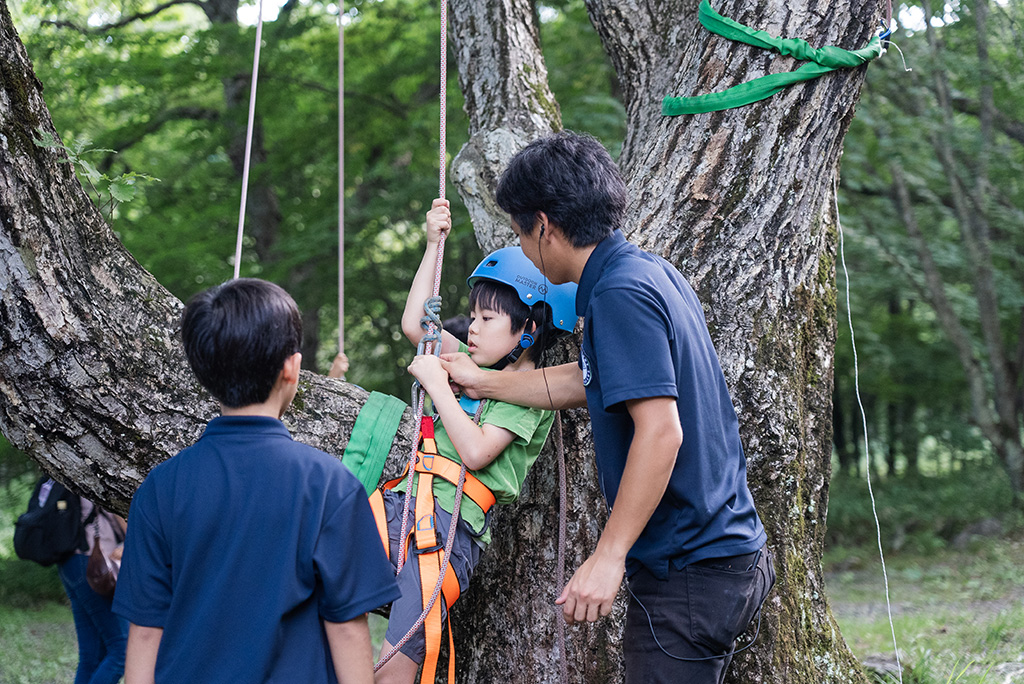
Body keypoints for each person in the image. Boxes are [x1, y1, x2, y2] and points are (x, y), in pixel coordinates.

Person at [439, 131, 775, 684]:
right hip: (722, 556)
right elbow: (585, 379)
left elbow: (661, 433)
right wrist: (482, 382)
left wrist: (608, 555)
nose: (523, 249)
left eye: (520, 233)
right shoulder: (646, 272)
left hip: (689, 569)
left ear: (543, 225)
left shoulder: (620, 294)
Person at [113, 278, 400, 684]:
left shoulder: (160, 488)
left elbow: (145, 632)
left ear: (202, 370)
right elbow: (348, 627)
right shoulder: (330, 485)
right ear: (292, 366)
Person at [373, 199, 578, 684]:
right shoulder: (467, 358)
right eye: (473, 316)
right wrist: (431, 247)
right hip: (402, 501)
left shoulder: (531, 397)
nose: (474, 327)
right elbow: (414, 326)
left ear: (528, 331)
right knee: (310, 569)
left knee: (393, 668)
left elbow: (478, 451)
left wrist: (441, 385)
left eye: (488, 319)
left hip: (448, 531)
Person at [56, 488, 129, 684]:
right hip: (95, 566)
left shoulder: (67, 477)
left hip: (70, 563)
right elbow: (130, 530)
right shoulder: (101, 477)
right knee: (122, 649)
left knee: (91, 655)